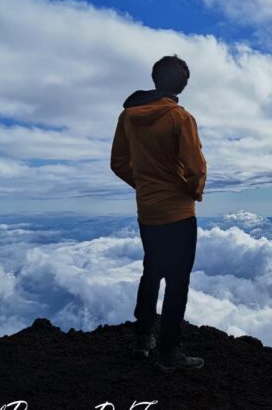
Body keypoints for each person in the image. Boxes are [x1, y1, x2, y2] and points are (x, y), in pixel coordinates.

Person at [111, 54, 207, 372]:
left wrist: (143, 186)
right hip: (179, 213)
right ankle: (169, 353)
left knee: (152, 272)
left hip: (148, 211)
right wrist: (191, 192)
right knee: (177, 282)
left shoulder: (128, 117)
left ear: (155, 80)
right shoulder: (180, 118)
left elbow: (119, 163)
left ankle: (142, 339)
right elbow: (195, 168)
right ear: (181, 85)